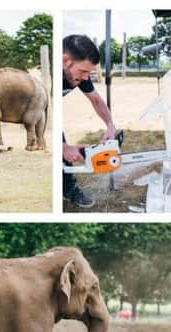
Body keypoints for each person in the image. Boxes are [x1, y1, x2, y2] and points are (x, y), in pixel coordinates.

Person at [63, 34, 117, 208]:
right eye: (84, 71)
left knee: (65, 155)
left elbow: (96, 100)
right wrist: (62, 147)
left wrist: (110, 124)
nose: (86, 78)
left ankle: (68, 190)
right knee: (61, 152)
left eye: (89, 72)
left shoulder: (79, 77)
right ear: (65, 61)